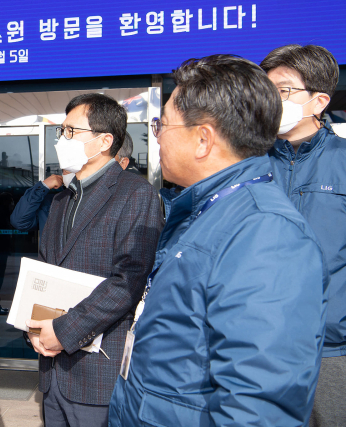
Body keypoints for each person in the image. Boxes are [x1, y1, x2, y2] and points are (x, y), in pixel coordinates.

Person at [109, 55, 329, 426]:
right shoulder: (203, 210)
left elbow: (258, 406)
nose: (156, 135)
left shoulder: (266, 233)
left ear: (203, 139)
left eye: (162, 124)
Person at [25, 93, 164, 427]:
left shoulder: (136, 194)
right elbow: (45, 272)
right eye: (62, 131)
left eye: (71, 132)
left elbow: (127, 282)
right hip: (52, 371)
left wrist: (64, 330)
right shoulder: (62, 199)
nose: (62, 140)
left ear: (105, 141)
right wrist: (33, 327)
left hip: (98, 373)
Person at [261, 44, 346, 427]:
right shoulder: (251, 166)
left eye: (283, 90)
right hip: (260, 345)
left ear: (319, 101)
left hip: (333, 351)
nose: (271, 101)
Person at [10, 135, 138, 233]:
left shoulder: (131, 201)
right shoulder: (56, 201)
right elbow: (20, 221)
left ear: (123, 163)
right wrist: (42, 187)